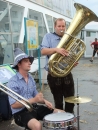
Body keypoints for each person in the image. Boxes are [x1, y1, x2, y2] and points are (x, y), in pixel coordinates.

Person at [7, 48, 64, 130]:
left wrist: (44, 101)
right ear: (19, 64)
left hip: (34, 108)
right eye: (26, 61)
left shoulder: (30, 78)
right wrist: (34, 100)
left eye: (29, 61)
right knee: (37, 126)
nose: (29, 63)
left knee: (61, 114)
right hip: (20, 113)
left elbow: (36, 96)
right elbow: (14, 105)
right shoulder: (13, 82)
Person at [40, 18, 78, 114]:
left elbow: (73, 53)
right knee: (58, 102)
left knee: (70, 101)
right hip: (53, 75)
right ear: (55, 27)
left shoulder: (69, 37)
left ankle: (70, 123)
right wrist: (56, 50)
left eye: (63, 26)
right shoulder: (48, 36)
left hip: (66, 74)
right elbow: (43, 51)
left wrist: (72, 62)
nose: (61, 28)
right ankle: (61, 124)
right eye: (59, 26)